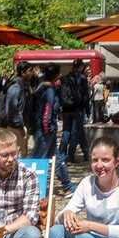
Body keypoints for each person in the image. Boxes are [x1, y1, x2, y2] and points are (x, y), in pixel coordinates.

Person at [30, 64, 73, 194]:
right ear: (56, 75)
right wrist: (47, 128)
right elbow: (47, 111)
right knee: (37, 159)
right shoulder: (48, 91)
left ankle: (67, 186)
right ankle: (29, 187)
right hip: (45, 131)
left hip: (47, 130)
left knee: (56, 158)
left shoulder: (41, 86)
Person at [58, 59, 90, 164]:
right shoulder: (82, 78)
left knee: (66, 132)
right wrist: (88, 110)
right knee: (75, 133)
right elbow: (85, 96)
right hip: (78, 108)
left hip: (66, 108)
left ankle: (61, 154)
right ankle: (71, 155)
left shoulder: (65, 78)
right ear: (80, 66)